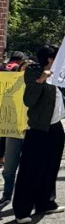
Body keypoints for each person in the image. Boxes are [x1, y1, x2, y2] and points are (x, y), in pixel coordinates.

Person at [13, 46, 65, 224]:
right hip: (38, 129)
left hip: (56, 127)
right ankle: (22, 210)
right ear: (50, 60)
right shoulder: (33, 72)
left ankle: (46, 202)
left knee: (51, 167)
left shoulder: (60, 72)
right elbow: (28, 100)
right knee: (30, 170)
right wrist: (41, 80)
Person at [0, 59, 31, 210]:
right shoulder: (11, 85)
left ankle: (26, 197)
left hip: (31, 132)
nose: (26, 74)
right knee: (9, 168)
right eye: (24, 70)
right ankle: (7, 195)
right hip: (13, 131)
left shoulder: (38, 87)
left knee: (29, 168)